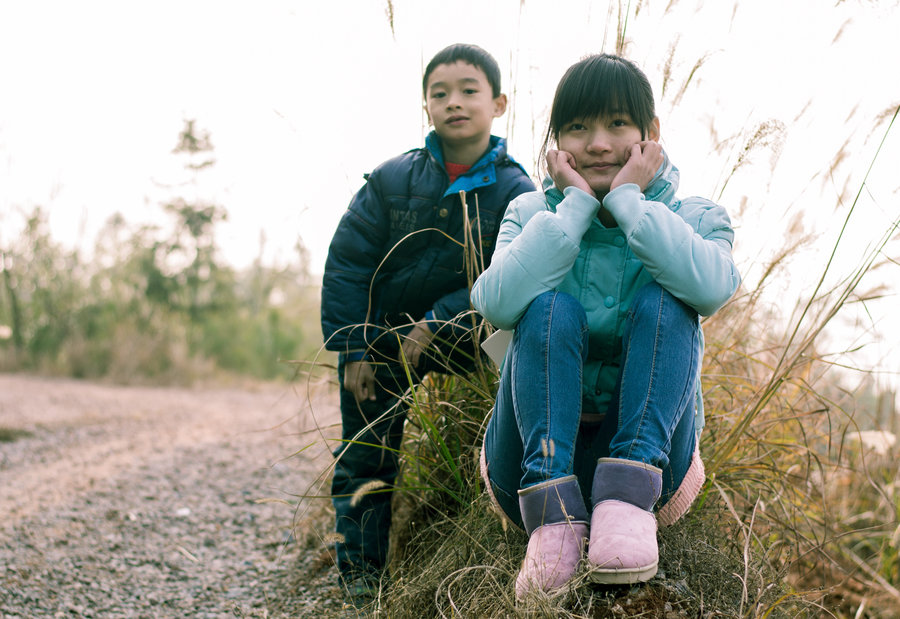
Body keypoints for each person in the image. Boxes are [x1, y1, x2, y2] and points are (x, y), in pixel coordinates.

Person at [470, 53, 741, 598]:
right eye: (578, 127)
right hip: (530, 455)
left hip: (651, 458)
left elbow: (713, 289)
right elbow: (495, 304)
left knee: (668, 299)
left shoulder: (696, 217)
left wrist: (628, 201)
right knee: (549, 309)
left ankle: (626, 501)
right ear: (556, 141)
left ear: (650, 135)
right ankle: (550, 516)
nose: (597, 144)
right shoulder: (528, 213)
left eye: (617, 124)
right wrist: (574, 209)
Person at [320, 43, 535, 607]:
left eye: (469, 90)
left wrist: (442, 318)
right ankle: (360, 586)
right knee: (365, 457)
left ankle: (497, 557)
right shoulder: (392, 181)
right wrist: (354, 347)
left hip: (471, 338)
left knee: (514, 420)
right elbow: (348, 263)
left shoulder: (516, 190)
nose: (454, 103)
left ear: (499, 103)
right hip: (384, 341)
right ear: (426, 107)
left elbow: (519, 271)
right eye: (439, 93)